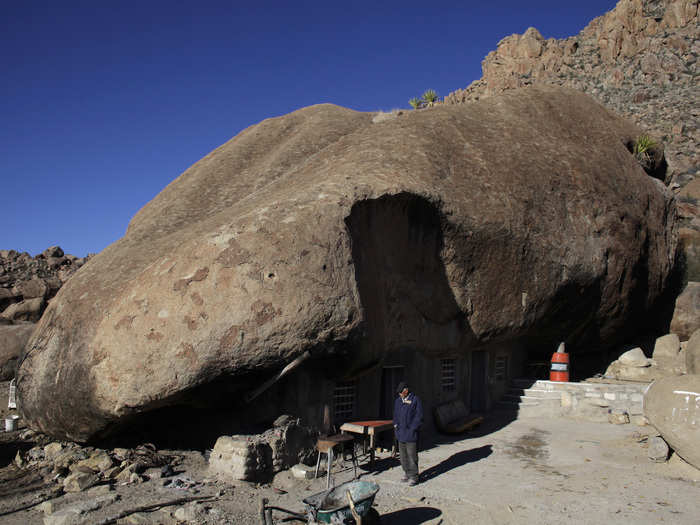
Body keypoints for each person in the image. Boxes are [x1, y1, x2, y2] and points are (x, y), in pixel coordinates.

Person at [393, 381, 423, 486]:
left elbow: (419, 416)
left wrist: (412, 429)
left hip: (410, 433)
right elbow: (395, 415)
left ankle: (414, 476)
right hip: (401, 433)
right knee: (403, 456)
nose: (400, 394)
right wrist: (395, 425)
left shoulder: (415, 400)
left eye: (401, 392)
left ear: (406, 390)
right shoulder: (398, 401)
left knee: (412, 456)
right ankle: (406, 473)